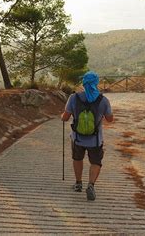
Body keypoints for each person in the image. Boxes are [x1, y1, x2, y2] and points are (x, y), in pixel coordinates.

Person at [61, 71, 113, 201]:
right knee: (95, 162)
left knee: (77, 159)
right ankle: (91, 185)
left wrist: (63, 116)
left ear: (84, 83)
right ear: (96, 83)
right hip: (95, 140)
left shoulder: (74, 98)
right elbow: (110, 119)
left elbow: (65, 117)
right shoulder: (103, 100)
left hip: (77, 138)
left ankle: (78, 183)